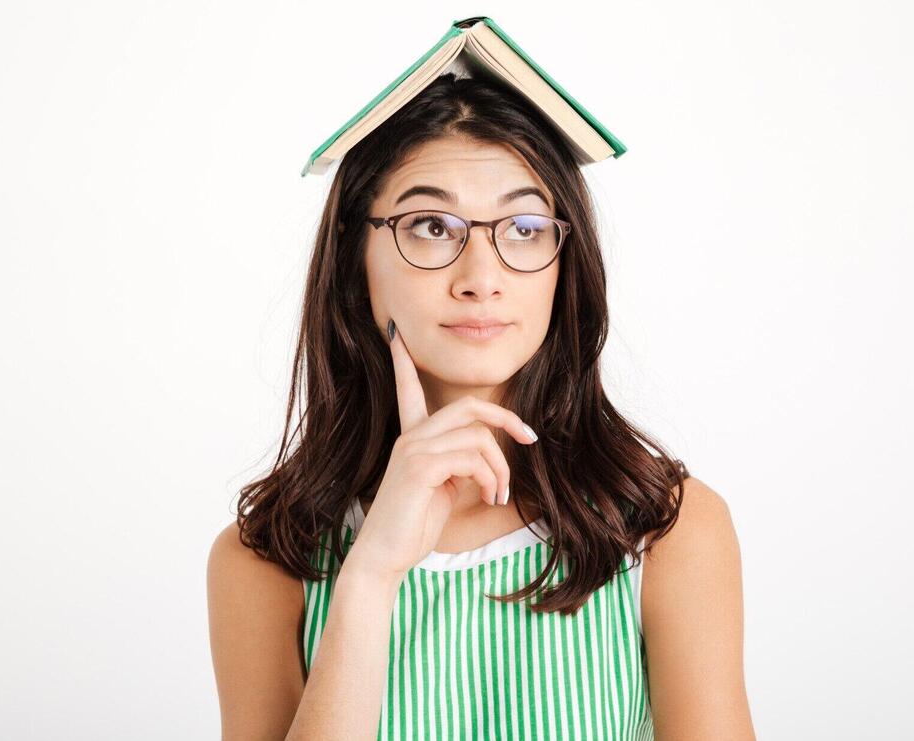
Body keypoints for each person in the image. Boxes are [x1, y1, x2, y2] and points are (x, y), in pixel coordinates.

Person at [207, 72, 756, 740]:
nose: (482, 279)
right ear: (356, 252)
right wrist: (371, 574)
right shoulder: (263, 560)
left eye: (524, 228)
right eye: (432, 226)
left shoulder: (668, 531)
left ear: (565, 259)